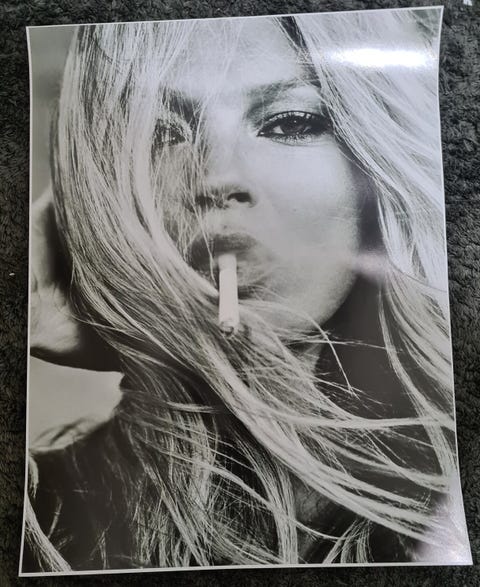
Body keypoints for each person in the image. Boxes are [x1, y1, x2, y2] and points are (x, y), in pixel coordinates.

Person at [23, 8, 458, 571]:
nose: (216, 176)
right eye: (160, 133)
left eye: (290, 123)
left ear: (377, 165)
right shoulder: (40, 516)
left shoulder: (452, 496)